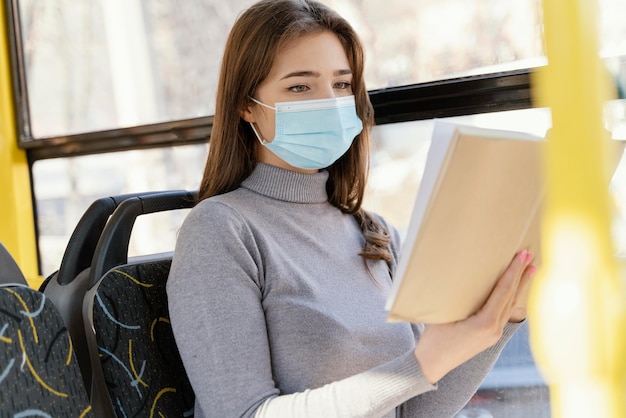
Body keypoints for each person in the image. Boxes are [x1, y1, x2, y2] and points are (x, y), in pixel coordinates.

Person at [166, 1, 536, 417]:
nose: (329, 102)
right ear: (246, 105)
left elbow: (415, 412)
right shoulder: (221, 230)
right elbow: (243, 413)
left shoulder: (374, 232)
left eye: (342, 85)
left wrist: (505, 318)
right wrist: (421, 364)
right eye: (300, 87)